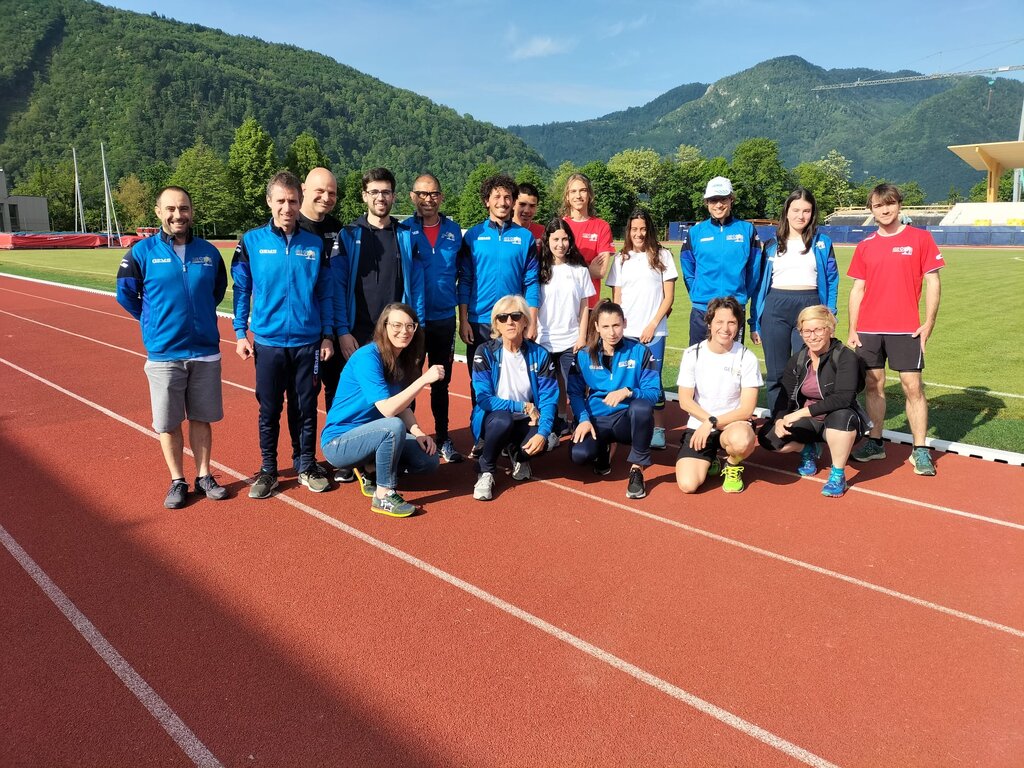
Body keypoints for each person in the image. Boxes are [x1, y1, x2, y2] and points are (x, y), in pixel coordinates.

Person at [116, 186, 229, 508]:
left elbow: (216, 291)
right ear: (158, 212)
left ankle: (204, 475)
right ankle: (177, 480)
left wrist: (199, 317)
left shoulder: (208, 252)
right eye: (170, 209)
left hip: (205, 351)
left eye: (183, 208)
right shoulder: (142, 253)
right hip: (165, 353)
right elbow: (125, 294)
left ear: (192, 211)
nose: (177, 215)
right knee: (168, 423)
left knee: (202, 418)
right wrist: (154, 322)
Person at [232, 171, 335, 498]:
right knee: (269, 409)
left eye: (292, 201)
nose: (287, 208)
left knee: (305, 408)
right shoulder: (252, 241)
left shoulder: (315, 243)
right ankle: (269, 470)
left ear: (299, 200)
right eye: (281, 201)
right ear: (269, 202)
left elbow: (325, 292)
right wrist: (239, 332)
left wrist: (328, 335)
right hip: (268, 343)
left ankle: (305, 464)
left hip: (308, 344)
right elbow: (241, 288)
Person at [847, 183, 944, 475]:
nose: (884, 210)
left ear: (899, 205)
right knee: (874, 385)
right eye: (878, 205)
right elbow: (857, 289)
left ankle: (920, 450)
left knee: (912, 388)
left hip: (906, 330)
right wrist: (853, 329)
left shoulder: (920, 239)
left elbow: (933, 282)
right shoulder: (865, 246)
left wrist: (929, 323)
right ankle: (875, 443)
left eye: (889, 204)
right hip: (869, 329)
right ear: (872, 210)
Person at [321, 303, 442, 517]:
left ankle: (370, 467)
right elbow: (388, 410)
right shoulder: (368, 357)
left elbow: (402, 406)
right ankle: (383, 494)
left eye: (409, 326)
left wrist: (418, 432)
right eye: (396, 325)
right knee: (392, 426)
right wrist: (423, 380)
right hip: (339, 442)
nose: (404, 331)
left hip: (375, 435)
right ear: (384, 327)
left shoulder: (400, 359)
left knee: (429, 460)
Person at [758, 306, 866, 498]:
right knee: (768, 437)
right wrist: (780, 419)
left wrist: (800, 413)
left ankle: (838, 474)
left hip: (839, 418)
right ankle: (808, 449)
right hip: (811, 421)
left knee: (842, 417)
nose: (812, 336)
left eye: (818, 330)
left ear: (830, 329)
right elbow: (785, 397)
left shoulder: (846, 357)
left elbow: (843, 398)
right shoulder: (798, 359)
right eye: (806, 331)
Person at [751, 188, 839, 410]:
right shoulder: (771, 245)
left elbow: (832, 278)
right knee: (777, 372)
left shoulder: (822, 243)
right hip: (775, 308)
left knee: (806, 369)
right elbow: (759, 285)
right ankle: (778, 422)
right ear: (787, 211)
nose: (801, 216)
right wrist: (755, 321)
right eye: (796, 210)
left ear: (813, 213)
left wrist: (830, 314)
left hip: (810, 307)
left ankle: (803, 424)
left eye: (806, 211)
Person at [458, 173, 539, 407]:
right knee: (480, 381)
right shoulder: (473, 236)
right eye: (497, 196)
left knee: (512, 380)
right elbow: (464, 280)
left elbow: (531, 282)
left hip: (513, 321)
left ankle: (512, 434)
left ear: (513, 201)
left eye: (507, 197)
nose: (502, 202)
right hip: (479, 321)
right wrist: (463, 320)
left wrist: (531, 321)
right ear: (487, 200)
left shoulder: (525, 237)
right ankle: (481, 435)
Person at [470, 295, 559, 501]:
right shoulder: (485, 352)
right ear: (496, 324)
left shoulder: (540, 354)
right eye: (502, 318)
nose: (509, 321)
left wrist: (543, 433)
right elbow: (484, 399)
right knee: (503, 419)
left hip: (527, 420)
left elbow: (548, 398)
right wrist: (522, 405)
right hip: (493, 419)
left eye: (515, 316)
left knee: (541, 443)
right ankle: (486, 470)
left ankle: (517, 454)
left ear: (525, 321)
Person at [567, 301, 659, 500]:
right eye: (606, 326)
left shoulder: (640, 351)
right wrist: (583, 419)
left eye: (616, 325)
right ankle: (603, 448)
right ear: (597, 327)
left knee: (642, 408)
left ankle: (637, 469)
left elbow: (653, 394)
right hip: (596, 419)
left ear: (624, 323)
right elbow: (574, 393)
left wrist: (628, 391)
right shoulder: (583, 355)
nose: (612, 332)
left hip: (626, 418)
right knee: (579, 456)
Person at [286, 167, 343, 478]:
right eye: (320, 191)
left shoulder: (338, 229)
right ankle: (301, 457)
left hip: (332, 329)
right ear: (304, 188)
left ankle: (338, 453)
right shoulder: (291, 227)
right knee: (301, 399)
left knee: (337, 394)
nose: (326, 197)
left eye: (332, 192)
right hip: (303, 333)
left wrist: (335, 331)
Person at [675, 296, 761, 495]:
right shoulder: (692, 354)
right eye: (719, 322)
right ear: (709, 323)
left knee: (742, 441)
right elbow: (685, 401)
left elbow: (747, 409)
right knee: (688, 485)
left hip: (733, 425)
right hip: (700, 426)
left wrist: (712, 423)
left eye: (732, 322)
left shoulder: (746, 357)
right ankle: (711, 458)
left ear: (739, 325)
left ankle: (731, 465)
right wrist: (707, 422)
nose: (725, 328)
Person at [607, 208, 677, 451]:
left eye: (643, 229)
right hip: (625, 332)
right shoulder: (620, 259)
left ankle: (657, 429)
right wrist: (617, 329)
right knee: (624, 380)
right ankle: (622, 425)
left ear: (649, 230)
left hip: (653, 332)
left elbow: (668, 298)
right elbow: (616, 299)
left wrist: (652, 324)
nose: (639, 233)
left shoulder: (663, 256)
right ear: (628, 231)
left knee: (652, 384)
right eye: (634, 229)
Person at [407, 173, 464, 464]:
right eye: (422, 193)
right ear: (412, 196)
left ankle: (443, 437)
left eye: (433, 194)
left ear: (441, 197)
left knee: (441, 383)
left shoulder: (454, 231)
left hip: (443, 320)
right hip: (412, 323)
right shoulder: (403, 230)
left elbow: (464, 275)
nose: (428, 199)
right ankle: (410, 438)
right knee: (411, 383)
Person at [534, 217, 595, 449]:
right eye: (556, 239)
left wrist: (582, 337)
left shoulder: (579, 270)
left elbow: (584, 308)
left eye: (565, 239)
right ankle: (555, 423)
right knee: (548, 388)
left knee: (574, 387)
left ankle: (583, 425)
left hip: (571, 340)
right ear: (547, 240)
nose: (560, 244)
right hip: (543, 340)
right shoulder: (539, 270)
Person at [679, 176, 761, 346]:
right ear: (707, 203)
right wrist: (698, 293)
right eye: (713, 200)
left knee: (731, 364)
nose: (718, 205)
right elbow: (687, 267)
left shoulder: (747, 230)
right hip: (702, 309)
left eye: (723, 199)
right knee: (699, 362)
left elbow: (754, 270)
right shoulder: (696, 232)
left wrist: (740, 294)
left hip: (734, 309)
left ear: (731, 200)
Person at [561, 172, 614, 308]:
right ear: (567, 196)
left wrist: (569, 267)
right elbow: (554, 270)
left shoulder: (602, 226)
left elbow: (600, 271)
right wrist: (588, 268)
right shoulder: (559, 226)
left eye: (582, 190)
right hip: (563, 305)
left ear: (589, 194)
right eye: (573, 191)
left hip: (590, 305)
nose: (578, 196)